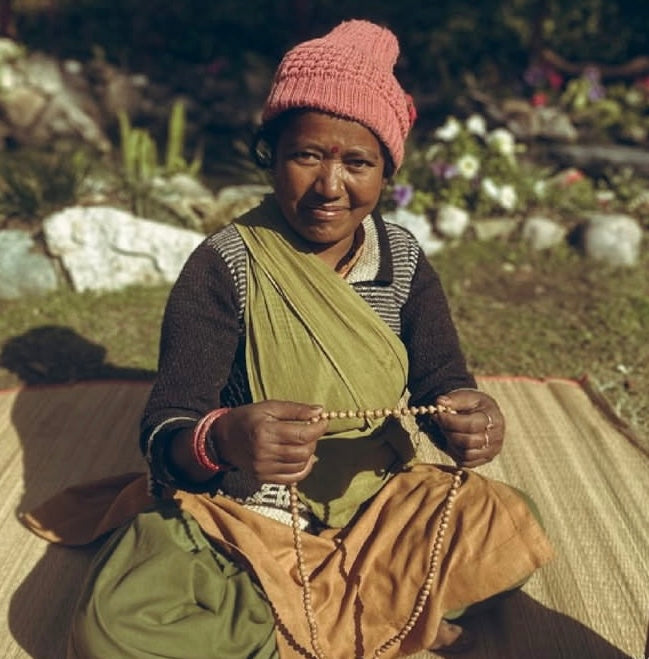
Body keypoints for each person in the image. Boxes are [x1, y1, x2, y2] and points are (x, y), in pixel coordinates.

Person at [25, 19, 553, 659]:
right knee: (113, 630)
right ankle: (383, 612)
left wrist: (468, 418)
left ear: (386, 170)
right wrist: (224, 437)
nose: (331, 186)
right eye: (308, 156)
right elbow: (166, 430)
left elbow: (442, 381)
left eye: (357, 162)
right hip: (246, 518)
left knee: (507, 526)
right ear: (271, 156)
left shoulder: (403, 262)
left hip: (378, 504)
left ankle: (311, 619)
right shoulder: (226, 265)